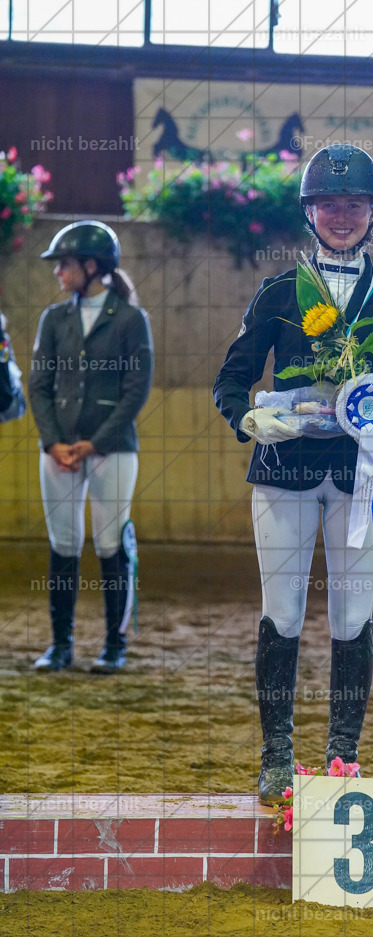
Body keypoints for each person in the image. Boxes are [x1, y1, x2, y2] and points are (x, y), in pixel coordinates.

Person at [214, 144, 373, 803]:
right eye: (328, 205)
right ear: (309, 213)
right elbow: (230, 382)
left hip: (360, 481)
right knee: (281, 612)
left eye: (354, 205)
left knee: (351, 617)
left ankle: (342, 756)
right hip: (283, 473)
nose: (341, 215)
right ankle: (277, 754)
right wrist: (253, 421)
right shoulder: (279, 293)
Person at [28, 220, 153, 673]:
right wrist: (53, 441)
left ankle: (113, 646)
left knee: (108, 542)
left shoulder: (130, 319)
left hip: (112, 449)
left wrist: (94, 443)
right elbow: (38, 385)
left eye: (64, 265)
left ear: (91, 265)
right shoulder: (54, 318)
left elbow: (136, 390)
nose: (58, 273)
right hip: (58, 449)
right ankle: (61, 644)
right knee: (63, 543)